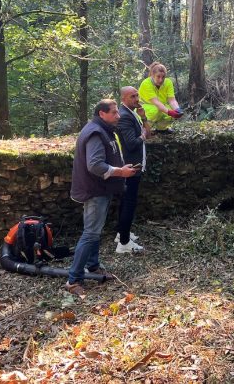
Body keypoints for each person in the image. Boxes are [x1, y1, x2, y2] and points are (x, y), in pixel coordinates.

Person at [66, 99, 140, 296]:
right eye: (114, 112)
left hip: (100, 189)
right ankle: (73, 280)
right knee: (90, 233)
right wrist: (121, 172)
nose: (118, 116)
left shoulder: (103, 129)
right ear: (102, 114)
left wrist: (121, 168)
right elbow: (95, 165)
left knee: (94, 232)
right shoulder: (96, 133)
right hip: (95, 191)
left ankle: (93, 266)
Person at [115, 86, 147, 254]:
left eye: (137, 95)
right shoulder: (125, 116)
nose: (136, 99)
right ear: (123, 99)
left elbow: (147, 131)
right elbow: (132, 143)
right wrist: (142, 136)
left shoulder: (131, 113)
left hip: (133, 166)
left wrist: (143, 117)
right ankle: (124, 243)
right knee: (129, 203)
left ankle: (121, 234)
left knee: (126, 202)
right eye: (132, 96)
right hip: (130, 168)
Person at [138, 61, 182, 132]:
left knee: (171, 110)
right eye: (158, 76)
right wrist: (170, 112)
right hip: (144, 108)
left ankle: (162, 129)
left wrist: (177, 109)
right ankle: (144, 130)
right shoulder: (146, 83)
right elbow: (156, 102)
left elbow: (172, 100)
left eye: (163, 77)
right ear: (152, 75)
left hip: (160, 106)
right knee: (155, 110)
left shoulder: (168, 82)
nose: (161, 80)